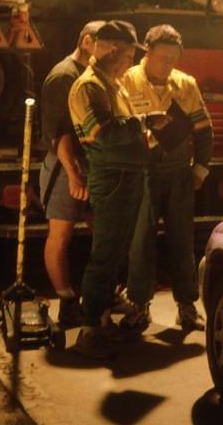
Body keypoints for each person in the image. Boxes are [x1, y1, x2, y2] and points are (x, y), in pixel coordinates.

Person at [68, 20, 162, 358]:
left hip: (128, 175)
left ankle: (103, 321)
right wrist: (144, 123)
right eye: (126, 55)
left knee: (117, 252)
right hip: (111, 177)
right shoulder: (88, 87)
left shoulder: (114, 85)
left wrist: (145, 132)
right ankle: (89, 328)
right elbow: (102, 134)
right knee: (105, 253)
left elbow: (124, 129)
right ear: (111, 51)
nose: (128, 62)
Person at [119, 24, 212, 332]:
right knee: (140, 239)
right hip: (142, 170)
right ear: (147, 52)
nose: (168, 64)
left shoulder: (185, 84)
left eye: (173, 58)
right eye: (162, 58)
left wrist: (200, 169)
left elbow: (204, 130)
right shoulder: (125, 80)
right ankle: (138, 305)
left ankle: (187, 306)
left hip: (177, 170)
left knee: (183, 239)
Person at [39, 20, 104, 328]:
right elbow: (58, 133)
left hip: (90, 163)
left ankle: (98, 295)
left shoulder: (93, 75)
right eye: (104, 45)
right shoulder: (63, 76)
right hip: (67, 166)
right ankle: (66, 302)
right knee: (61, 235)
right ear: (87, 41)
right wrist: (74, 174)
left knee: (102, 232)